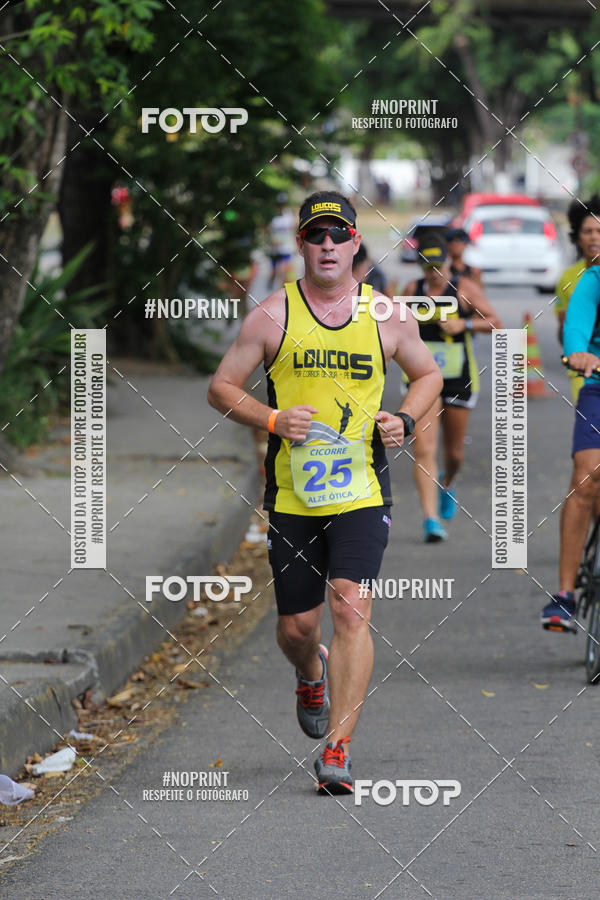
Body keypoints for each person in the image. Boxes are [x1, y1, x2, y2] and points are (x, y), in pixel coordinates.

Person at [208, 190, 442, 794]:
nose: (329, 246)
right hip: (293, 495)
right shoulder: (271, 314)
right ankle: (310, 672)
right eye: (318, 236)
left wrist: (407, 420)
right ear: (302, 245)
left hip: (362, 488)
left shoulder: (386, 314)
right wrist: (270, 419)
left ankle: (337, 748)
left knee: (350, 605)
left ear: (356, 243)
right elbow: (222, 387)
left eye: (340, 235)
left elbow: (429, 374)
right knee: (297, 628)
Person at [402, 233, 502, 542]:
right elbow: (392, 323)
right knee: (424, 448)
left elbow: (495, 322)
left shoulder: (463, 289)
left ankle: (449, 480)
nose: (434, 272)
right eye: (428, 266)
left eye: (439, 265)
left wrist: (464, 324)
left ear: (448, 262)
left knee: (454, 452)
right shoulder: (412, 291)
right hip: (421, 379)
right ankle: (431, 520)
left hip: (459, 376)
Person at [541, 265, 600, 632]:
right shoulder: (595, 279)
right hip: (598, 386)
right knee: (586, 477)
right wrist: (579, 351)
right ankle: (565, 594)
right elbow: (576, 323)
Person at [553, 195, 600, 404]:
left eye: (599, 231)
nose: (594, 237)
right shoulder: (568, 277)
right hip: (585, 371)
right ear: (578, 237)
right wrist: (572, 341)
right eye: (588, 231)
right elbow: (564, 332)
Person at [266, 193, 296, 290]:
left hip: (286, 249)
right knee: (274, 272)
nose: (282, 206)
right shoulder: (272, 215)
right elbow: (267, 230)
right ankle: (271, 282)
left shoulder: (289, 214)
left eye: (283, 204)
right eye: (280, 204)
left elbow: (294, 227)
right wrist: (271, 240)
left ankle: (281, 292)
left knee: (284, 271)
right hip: (274, 249)